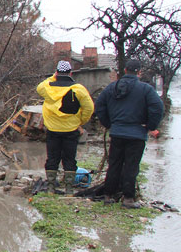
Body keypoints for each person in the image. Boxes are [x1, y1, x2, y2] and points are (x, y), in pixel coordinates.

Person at [95, 59, 164, 208]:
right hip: (137, 134)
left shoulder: (111, 88)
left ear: (125, 70)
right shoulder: (146, 89)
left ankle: (108, 196)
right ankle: (128, 199)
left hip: (117, 132)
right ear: (139, 72)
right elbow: (158, 108)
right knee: (131, 166)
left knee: (114, 164)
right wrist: (150, 126)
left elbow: (99, 105)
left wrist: (109, 123)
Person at [37, 60, 95, 193]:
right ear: (71, 73)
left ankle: (51, 188)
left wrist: (53, 76)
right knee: (69, 159)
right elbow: (89, 108)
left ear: (56, 72)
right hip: (71, 130)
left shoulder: (48, 87)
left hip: (53, 130)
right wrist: (80, 121)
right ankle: (69, 189)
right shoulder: (78, 89)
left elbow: (39, 87)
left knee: (52, 158)